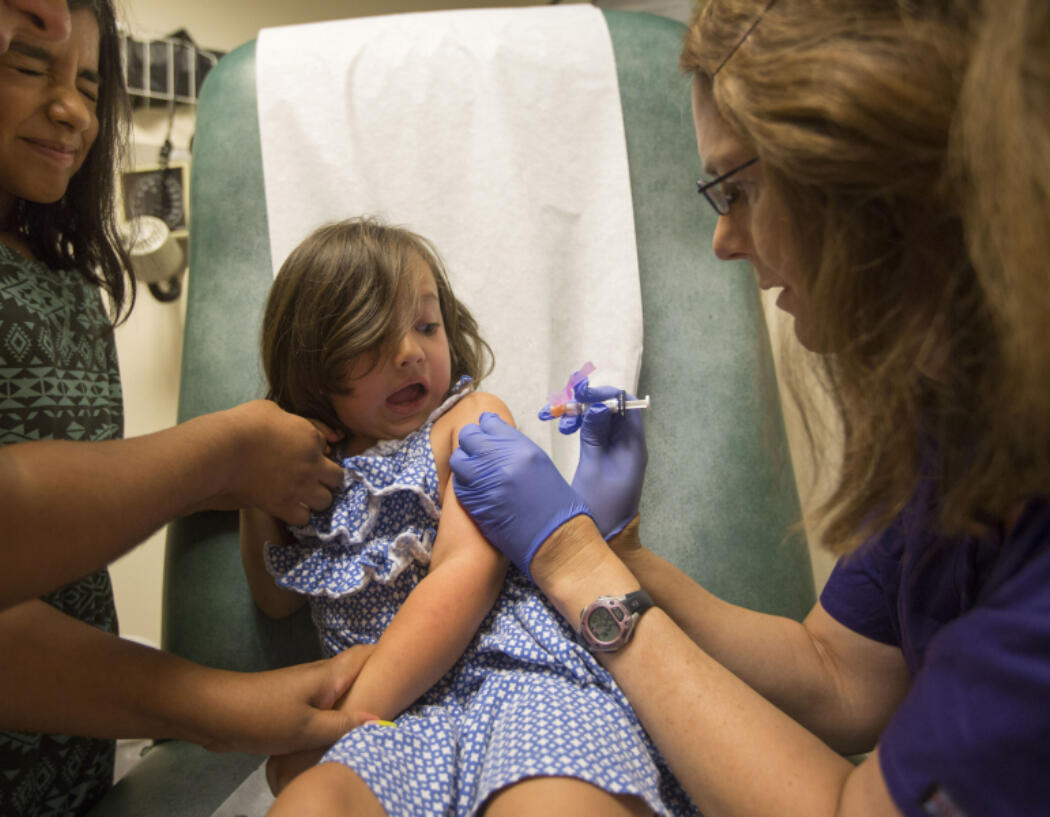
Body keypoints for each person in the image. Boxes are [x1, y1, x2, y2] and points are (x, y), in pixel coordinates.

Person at [449, 1, 1050, 817]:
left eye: (736, 190)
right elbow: (837, 673)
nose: (722, 241)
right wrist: (620, 550)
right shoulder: (963, 428)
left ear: (870, 166)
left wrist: (574, 566)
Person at [0, 4, 370, 815]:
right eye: (26, 65)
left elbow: (69, 480)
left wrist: (234, 477)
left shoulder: (67, 278)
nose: (74, 108)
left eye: (89, 84)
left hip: (69, 773)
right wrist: (221, 454)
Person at [240, 217, 695, 817]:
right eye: (373, 338)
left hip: (515, 681)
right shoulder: (312, 468)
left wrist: (339, 726)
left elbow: (464, 573)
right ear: (312, 365)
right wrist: (251, 480)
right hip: (398, 724)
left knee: (553, 802)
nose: (409, 353)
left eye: (427, 326)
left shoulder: (468, 420)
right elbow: (277, 600)